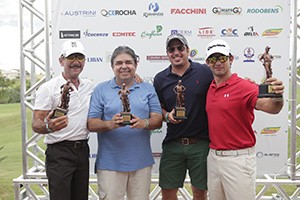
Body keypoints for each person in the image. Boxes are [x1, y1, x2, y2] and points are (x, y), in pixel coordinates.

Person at [204, 39, 284, 200]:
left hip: (238, 160)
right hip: (213, 158)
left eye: (222, 58)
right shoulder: (210, 87)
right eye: (213, 59)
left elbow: (272, 108)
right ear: (207, 63)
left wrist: (278, 96)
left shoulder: (244, 86)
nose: (217, 62)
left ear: (231, 59)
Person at [87, 46, 163, 200]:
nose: (124, 66)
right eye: (118, 63)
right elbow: (91, 123)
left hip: (141, 163)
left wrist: (144, 123)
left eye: (128, 62)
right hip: (110, 164)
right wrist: (110, 124)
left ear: (136, 64)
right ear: (112, 66)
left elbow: (158, 119)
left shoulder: (148, 89)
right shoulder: (101, 90)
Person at [32, 40, 95, 200]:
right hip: (59, 152)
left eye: (80, 57)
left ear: (84, 61)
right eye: (71, 57)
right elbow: (36, 124)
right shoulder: (48, 88)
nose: (76, 62)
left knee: (80, 197)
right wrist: (49, 126)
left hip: (82, 150)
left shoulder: (90, 86)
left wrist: (134, 77)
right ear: (61, 61)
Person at [153, 33, 213, 200]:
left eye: (180, 48)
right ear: (167, 53)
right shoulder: (160, 79)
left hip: (200, 143)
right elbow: (158, 108)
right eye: (171, 49)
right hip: (173, 143)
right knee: (168, 192)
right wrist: (167, 116)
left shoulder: (205, 72)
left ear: (188, 50)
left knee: (200, 192)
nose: (176, 52)